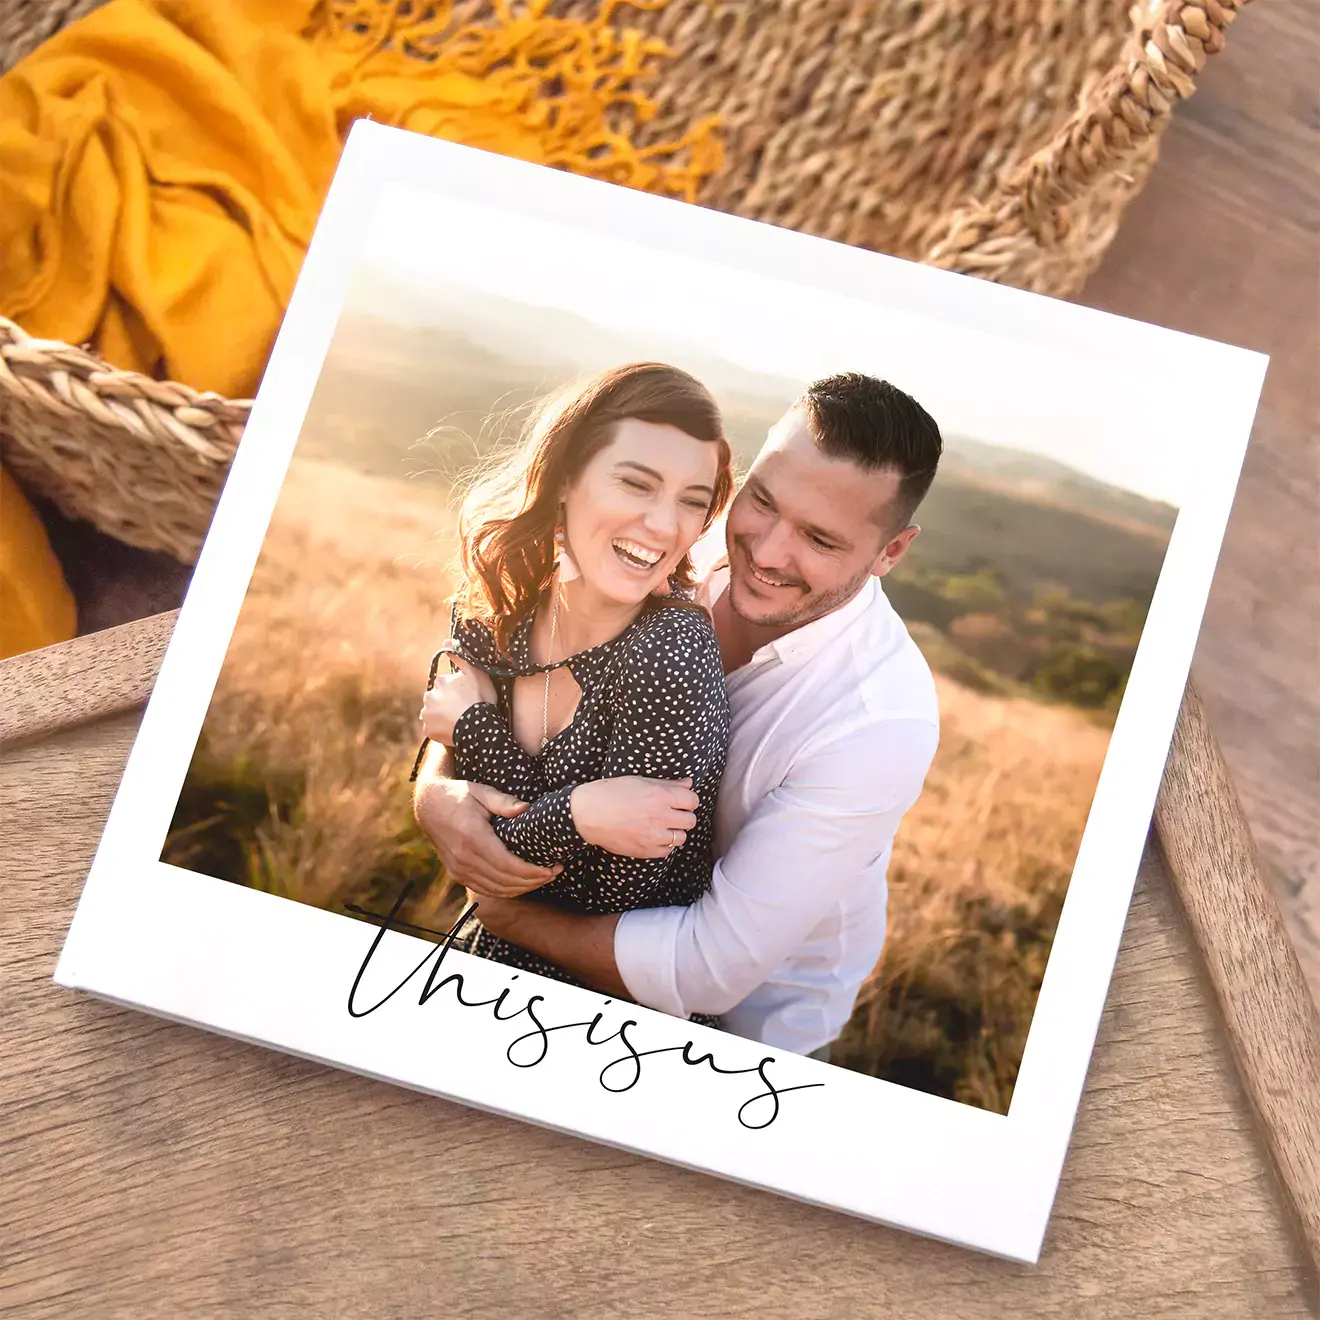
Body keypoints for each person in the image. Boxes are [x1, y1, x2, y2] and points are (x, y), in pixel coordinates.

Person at [416, 371, 943, 1062]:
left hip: (738, 1026)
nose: (766, 549)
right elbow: (482, 674)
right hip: (560, 910)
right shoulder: (674, 532)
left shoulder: (878, 723)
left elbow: (706, 968)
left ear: (890, 553)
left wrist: (507, 914)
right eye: (761, 501)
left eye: (819, 539)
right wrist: (435, 792)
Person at [412, 362, 735, 1009]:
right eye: (635, 484)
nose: (665, 525)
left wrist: (481, 740)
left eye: (692, 502)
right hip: (472, 959)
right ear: (565, 480)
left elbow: (601, 890)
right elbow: (436, 737)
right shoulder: (496, 601)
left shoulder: (672, 650)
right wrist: (429, 797)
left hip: (598, 1007)